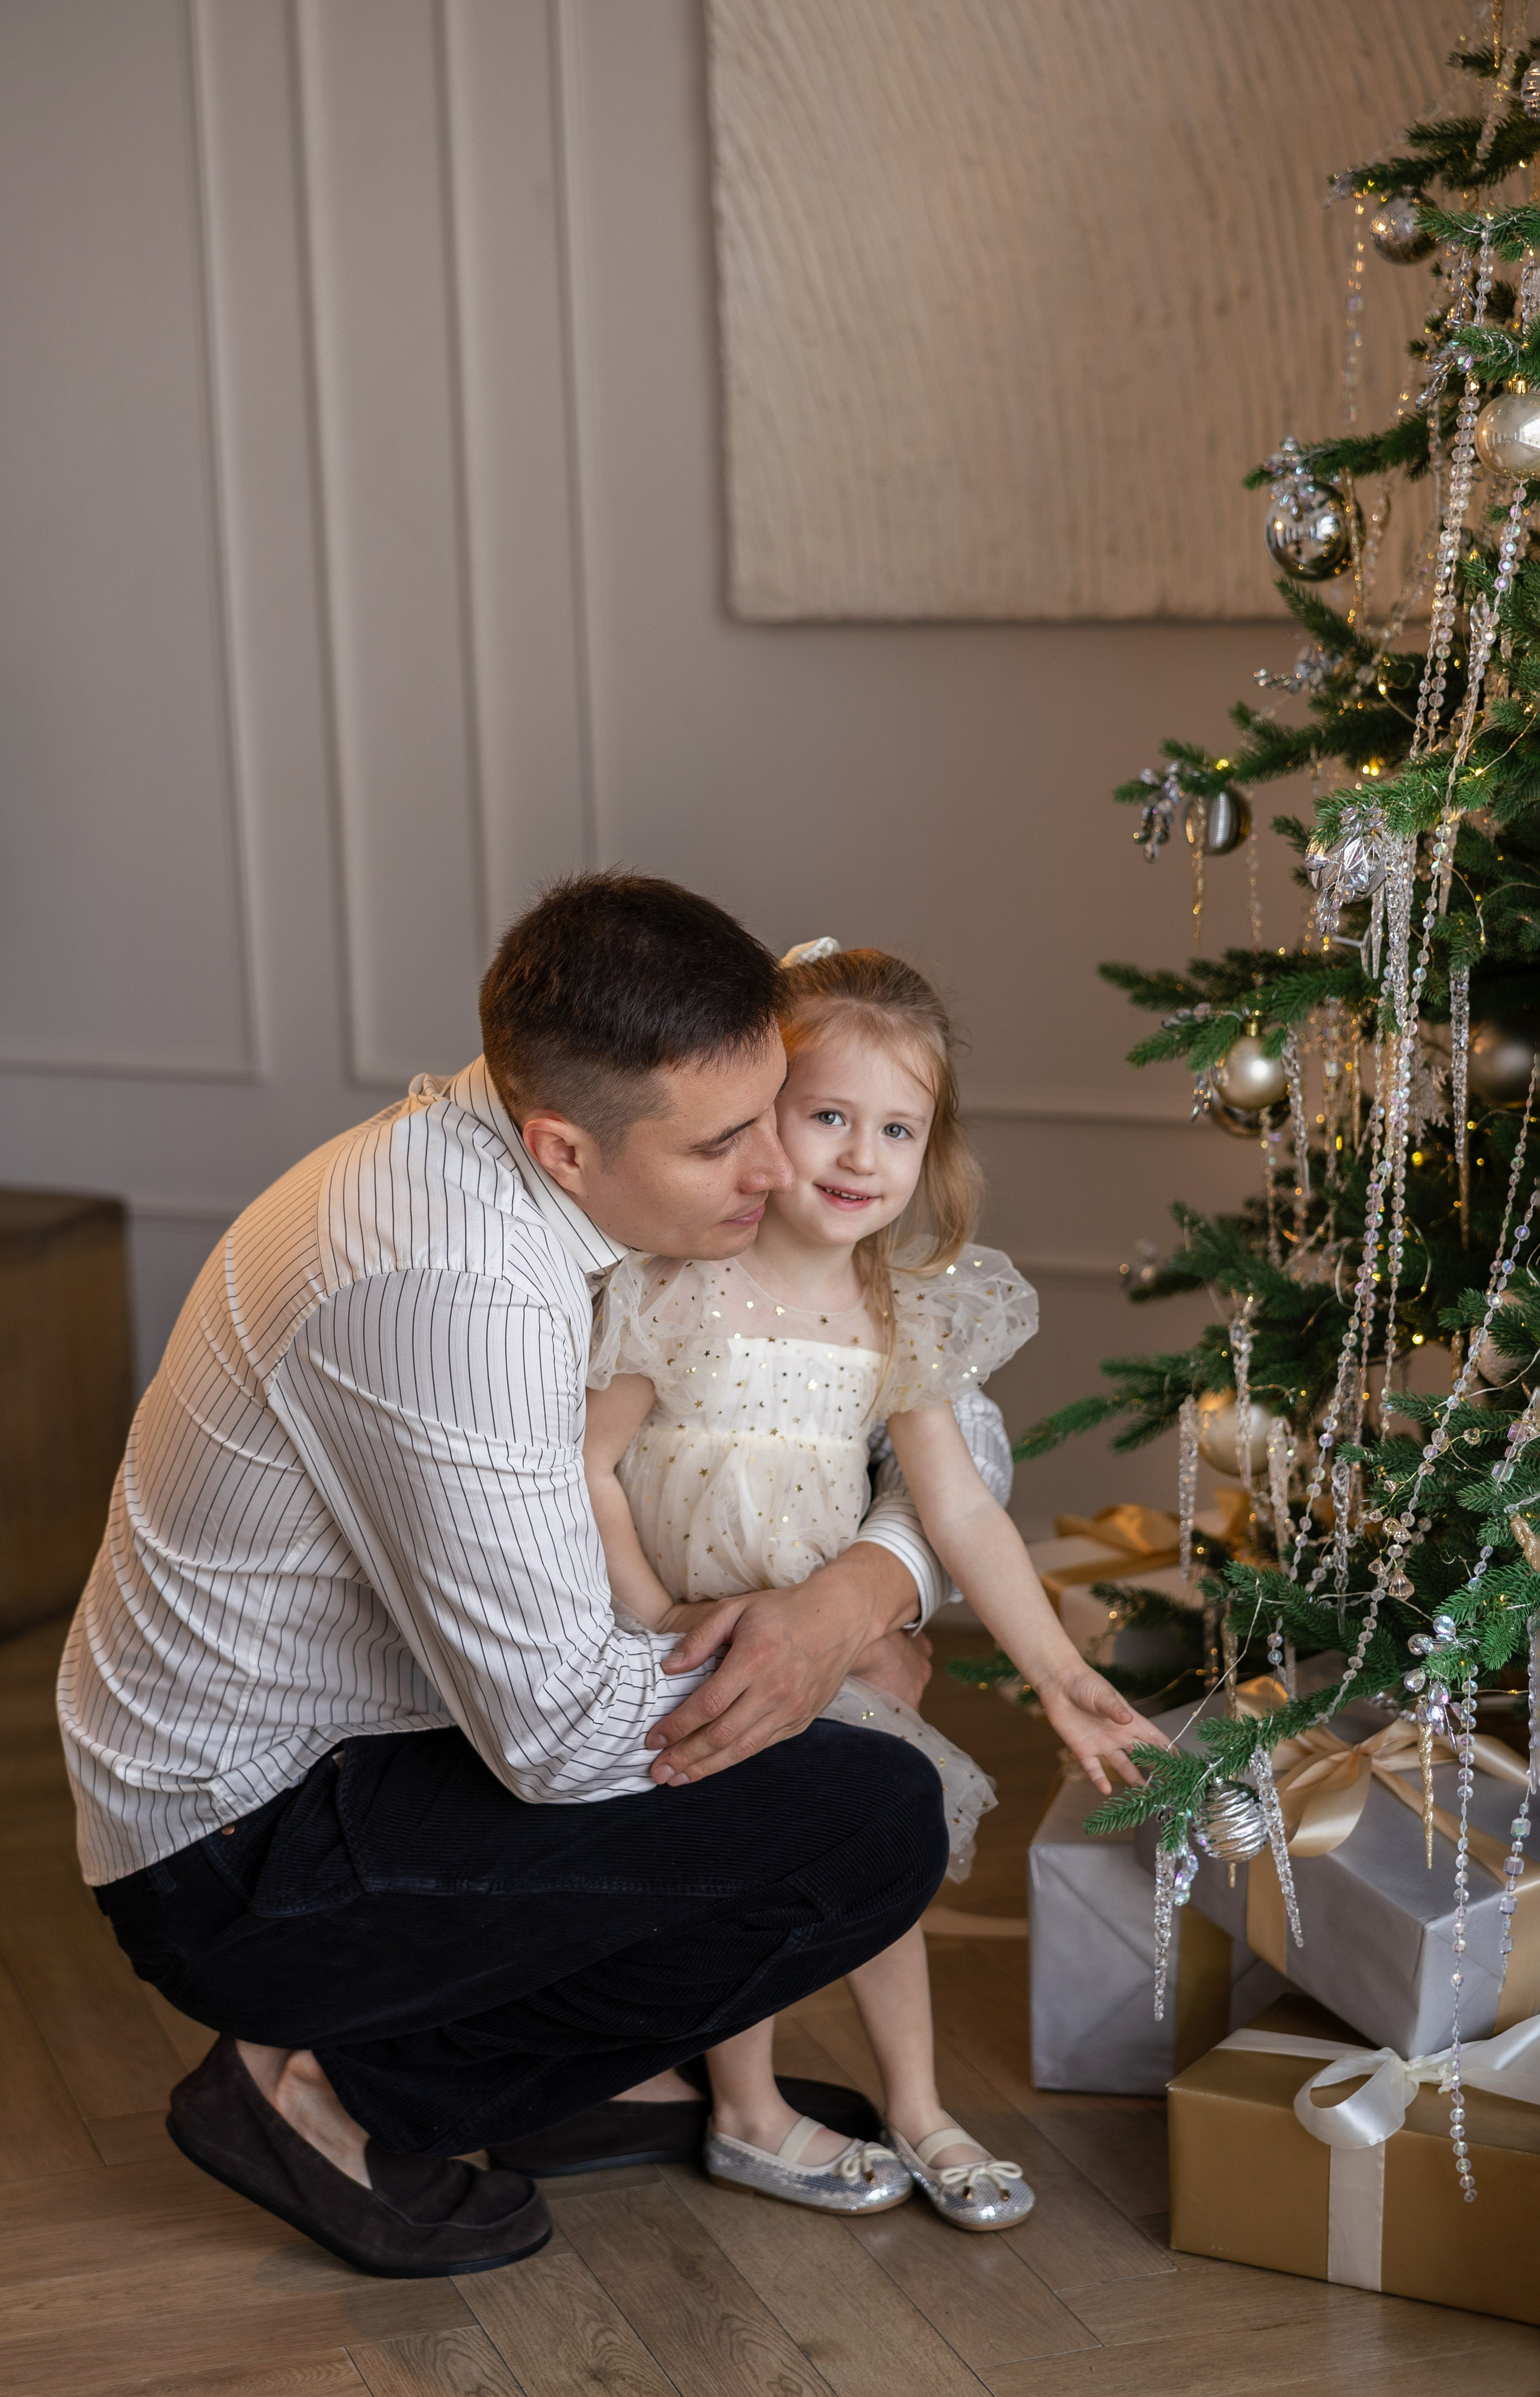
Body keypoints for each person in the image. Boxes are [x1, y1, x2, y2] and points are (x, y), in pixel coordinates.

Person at [57, 874, 1017, 2278]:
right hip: (238, 1846)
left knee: (827, 1765)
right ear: (561, 1147)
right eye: (722, 1144)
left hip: (399, 1729)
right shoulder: (454, 1288)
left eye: (773, 1107)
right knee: (872, 1819)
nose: (779, 1169)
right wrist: (814, 1668)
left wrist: (859, 1590)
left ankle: (580, 2074)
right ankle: (327, 2090)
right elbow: (562, 1739)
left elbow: (949, 1419)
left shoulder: (568, 1149)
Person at [582, 941, 1151, 2230]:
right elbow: (592, 1468)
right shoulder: (670, 1294)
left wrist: (1059, 1676)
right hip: (689, 1661)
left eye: (894, 1128)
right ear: (756, 1120)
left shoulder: (899, 1312)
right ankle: (743, 2109)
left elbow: (955, 1509)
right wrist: (655, 1617)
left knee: (879, 1869)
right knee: (741, 1885)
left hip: (832, 1658)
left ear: (928, 1150)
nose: (857, 1157)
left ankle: (916, 2103)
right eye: (826, 1115)